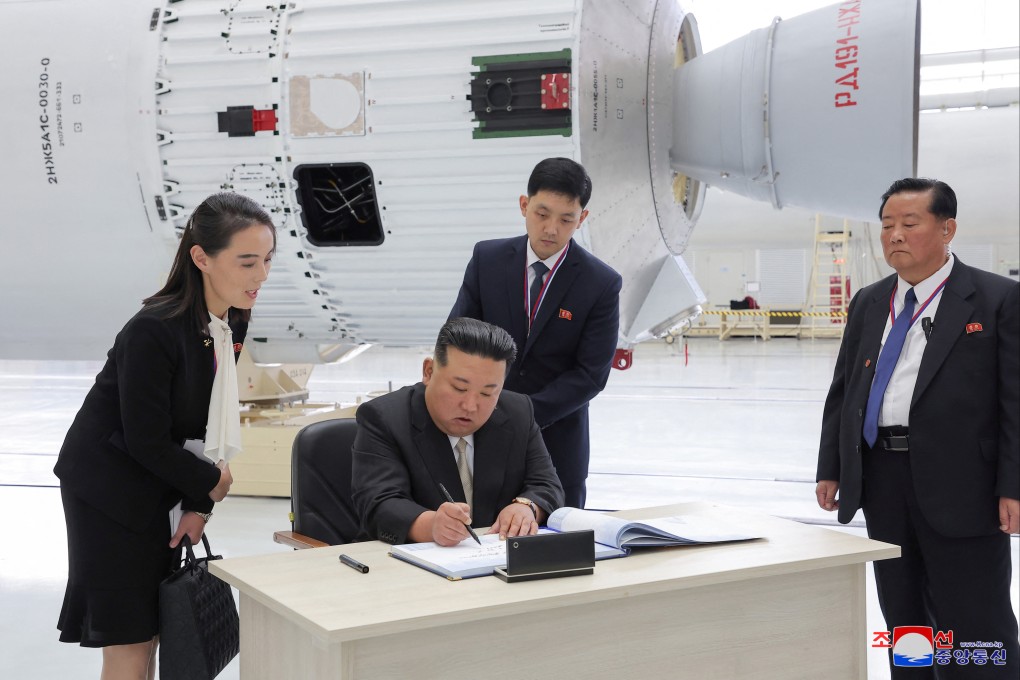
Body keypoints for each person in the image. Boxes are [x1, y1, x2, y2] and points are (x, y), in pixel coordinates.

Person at [54, 193, 276, 679]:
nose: (261, 275)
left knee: (157, 627)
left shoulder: (229, 321)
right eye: (247, 261)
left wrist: (200, 504)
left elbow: (203, 425)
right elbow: (144, 439)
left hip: (160, 479)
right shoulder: (152, 331)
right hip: (109, 491)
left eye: (266, 259)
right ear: (201, 258)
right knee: (131, 640)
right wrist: (208, 485)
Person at [815, 178, 1019, 678]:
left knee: (974, 622)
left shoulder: (996, 299)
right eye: (887, 226)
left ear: (947, 229)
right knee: (905, 619)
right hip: (883, 480)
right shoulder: (869, 301)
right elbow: (843, 391)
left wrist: (1013, 485)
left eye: (909, 224)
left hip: (964, 485)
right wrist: (832, 467)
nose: (895, 236)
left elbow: (1016, 402)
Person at [449, 157, 621, 508]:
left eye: (566, 219)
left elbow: (590, 375)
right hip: (480, 434)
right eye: (542, 214)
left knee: (558, 554)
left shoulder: (600, 283)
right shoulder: (487, 259)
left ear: (582, 219)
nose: (551, 229)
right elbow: (457, 337)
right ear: (524, 206)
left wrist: (520, 414)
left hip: (557, 447)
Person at [352, 317, 565, 546]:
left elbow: (547, 484)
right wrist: (432, 525)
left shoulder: (517, 411)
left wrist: (526, 507)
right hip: (409, 564)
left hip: (496, 561)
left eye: (487, 394)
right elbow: (378, 504)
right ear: (429, 371)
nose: (470, 406)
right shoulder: (384, 418)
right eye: (459, 388)